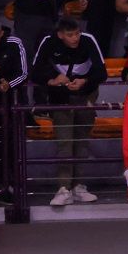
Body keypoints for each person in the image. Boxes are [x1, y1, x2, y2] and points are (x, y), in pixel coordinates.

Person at [33, 17, 104, 207]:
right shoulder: (48, 42)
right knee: (64, 143)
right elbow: (35, 72)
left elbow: (101, 72)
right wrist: (52, 79)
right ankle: (64, 188)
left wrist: (84, 81)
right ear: (60, 35)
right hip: (60, 99)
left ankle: (79, 187)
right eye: (70, 35)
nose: (75, 38)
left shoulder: (88, 40)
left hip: (86, 96)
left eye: (77, 33)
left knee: (82, 142)